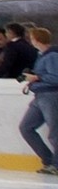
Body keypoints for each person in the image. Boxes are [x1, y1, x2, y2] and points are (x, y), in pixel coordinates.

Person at [17, 26, 58, 175]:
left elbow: (56, 77)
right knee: (26, 127)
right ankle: (49, 161)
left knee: (55, 132)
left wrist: (37, 78)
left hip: (51, 95)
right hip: (40, 95)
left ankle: (55, 164)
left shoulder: (52, 56)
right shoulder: (42, 55)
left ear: (36, 39)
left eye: (32, 38)